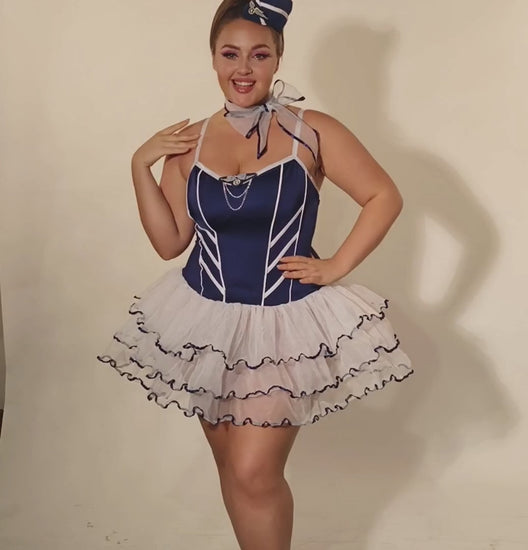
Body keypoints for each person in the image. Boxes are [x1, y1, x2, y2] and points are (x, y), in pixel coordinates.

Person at [97, 1, 414, 548]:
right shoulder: (189, 143)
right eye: (230, 54)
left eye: (259, 55)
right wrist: (138, 165)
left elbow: (383, 195)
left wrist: (336, 265)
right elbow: (169, 242)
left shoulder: (312, 131)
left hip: (282, 322)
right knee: (231, 466)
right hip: (205, 321)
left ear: (278, 59)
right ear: (213, 59)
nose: (243, 68)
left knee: (253, 472)